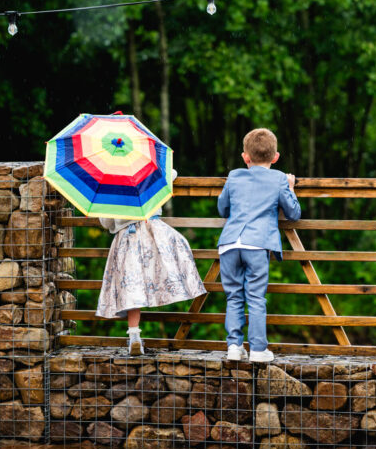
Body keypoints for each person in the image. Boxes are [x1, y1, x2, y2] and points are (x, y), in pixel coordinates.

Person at [96, 170, 206, 356]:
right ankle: (178, 292)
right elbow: (173, 172)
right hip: (153, 230)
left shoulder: (111, 184)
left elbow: (106, 222)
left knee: (131, 284)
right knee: (169, 261)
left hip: (127, 238)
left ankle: (134, 335)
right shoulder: (149, 172)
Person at [217, 128, 301, 362]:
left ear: (245, 157)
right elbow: (293, 213)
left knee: (233, 296)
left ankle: (234, 346)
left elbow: (222, 209)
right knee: (255, 297)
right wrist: (291, 188)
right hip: (258, 243)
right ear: (276, 157)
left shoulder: (234, 176)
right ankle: (257, 349)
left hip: (230, 243)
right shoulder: (278, 178)